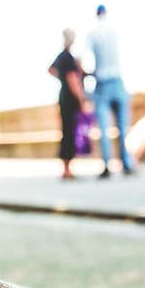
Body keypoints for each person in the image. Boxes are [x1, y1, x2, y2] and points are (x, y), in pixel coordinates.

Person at [86, 5, 134, 178]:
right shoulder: (114, 31)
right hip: (117, 80)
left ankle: (107, 165)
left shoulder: (92, 34)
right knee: (123, 126)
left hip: (102, 82)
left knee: (104, 129)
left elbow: (87, 61)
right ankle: (126, 164)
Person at [48, 29, 91, 179]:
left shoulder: (61, 56)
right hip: (70, 99)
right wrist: (82, 99)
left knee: (66, 132)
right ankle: (67, 170)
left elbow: (51, 70)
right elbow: (73, 80)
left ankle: (66, 169)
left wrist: (61, 78)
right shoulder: (69, 57)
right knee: (70, 133)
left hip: (63, 96)